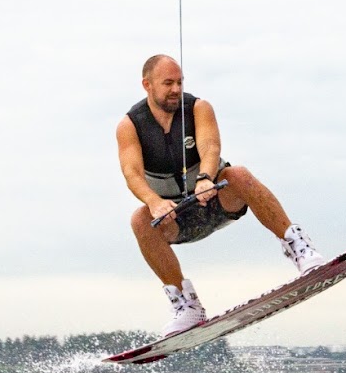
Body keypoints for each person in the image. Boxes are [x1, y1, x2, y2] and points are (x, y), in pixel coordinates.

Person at [116, 53, 325, 336]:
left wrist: (205, 177)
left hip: (213, 200)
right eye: (168, 83)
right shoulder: (130, 126)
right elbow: (132, 173)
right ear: (147, 85)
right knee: (139, 220)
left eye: (179, 82)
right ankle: (186, 306)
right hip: (175, 219)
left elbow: (210, 146)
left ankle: (300, 248)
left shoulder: (198, 108)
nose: (176, 89)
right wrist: (154, 202)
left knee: (238, 174)